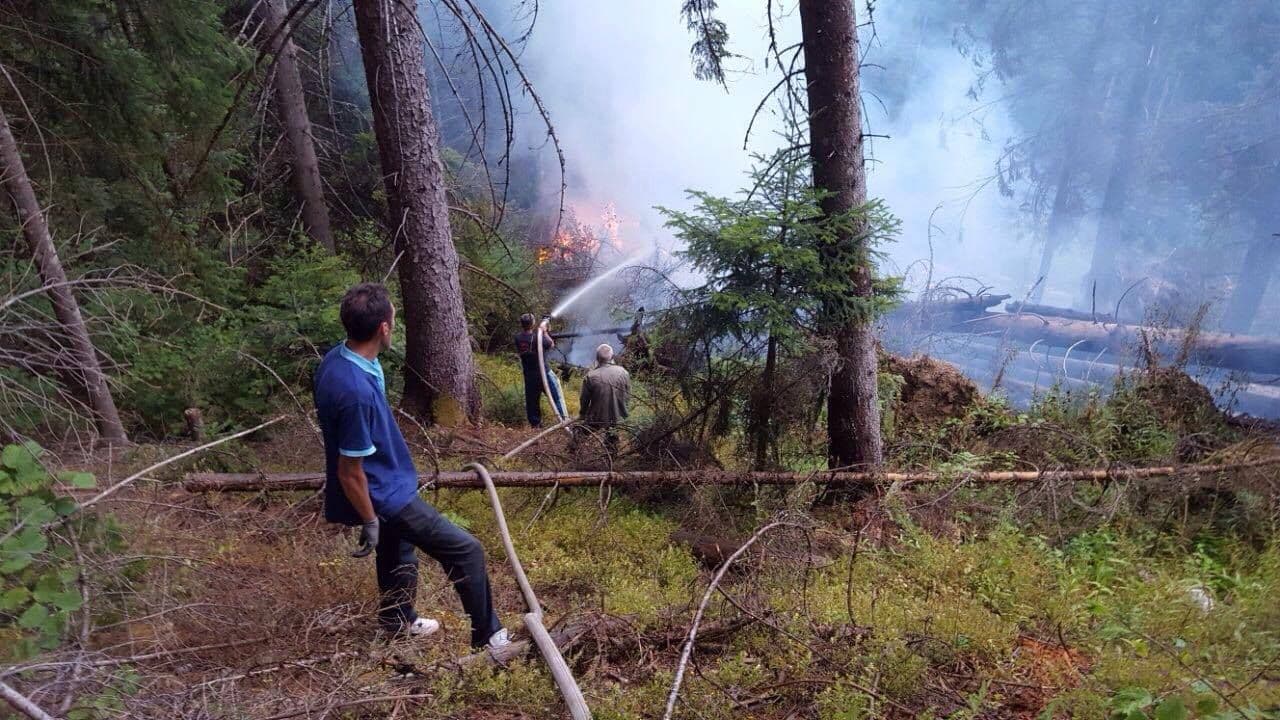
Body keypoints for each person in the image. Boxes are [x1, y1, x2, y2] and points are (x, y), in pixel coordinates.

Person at [313, 282, 508, 650]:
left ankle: (396, 619)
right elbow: (348, 471)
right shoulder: (353, 391)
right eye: (393, 318)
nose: (395, 323)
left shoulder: (339, 359)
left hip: (388, 479)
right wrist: (370, 518)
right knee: (466, 551)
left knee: (397, 547)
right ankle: (489, 636)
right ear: (383, 329)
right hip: (385, 492)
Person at [513, 313, 566, 427]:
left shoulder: (518, 338)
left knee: (532, 401)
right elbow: (551, 344)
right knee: (556, 397)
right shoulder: (539, 337)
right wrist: (544, 331)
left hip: (529, 375)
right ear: (532, 323)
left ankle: (535, 424)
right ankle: (564, 420)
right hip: (544, 374)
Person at [578, 343, 630, 454]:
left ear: (597, 358)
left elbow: (584, 400)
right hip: (617, 415)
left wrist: (583, 414)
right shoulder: (624, 372)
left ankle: (573, 449)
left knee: (582, 432)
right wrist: (624, 411)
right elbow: (627, 395)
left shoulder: (590, 376)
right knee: (612, 435)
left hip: (597, 415)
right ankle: (611, 455)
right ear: (612, 357)